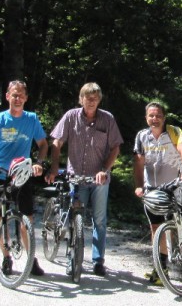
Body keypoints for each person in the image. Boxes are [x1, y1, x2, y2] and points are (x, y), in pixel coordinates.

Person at [45, 82, 123, 276]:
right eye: (88, 98)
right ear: (81, 99)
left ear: (99, 100)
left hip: (99, 179)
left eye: (95, 98)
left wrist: (104, 169)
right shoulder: (71, 117)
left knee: (100, 220)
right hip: (76, 176)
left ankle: (98, 261)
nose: (91, 101)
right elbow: (57, 141)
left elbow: (116, 147)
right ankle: (73, 256)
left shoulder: (108, 119)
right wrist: (55, 167)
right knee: (74, 217)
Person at [0, 80, 48, 276]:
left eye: (21, 95)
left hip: (22, 173)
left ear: (26, 98)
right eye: (14, 95)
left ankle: (31, 259)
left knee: (27, 218)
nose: (17, 99)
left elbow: (43, 144)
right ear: (7, 96)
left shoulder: (32, 119)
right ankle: (6, 257)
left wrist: (39, 163)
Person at [133, 101, 182, 285]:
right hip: (151, 189)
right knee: (155, 228)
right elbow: (138, 163)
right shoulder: (142, 136)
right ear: (146, 118)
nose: (154, 119)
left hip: (173, 187)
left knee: (174, 225)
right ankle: (160, 268)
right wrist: (138, 185)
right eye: (151, 116)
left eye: (158, 116)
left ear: (164, 117)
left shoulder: (174, 132)